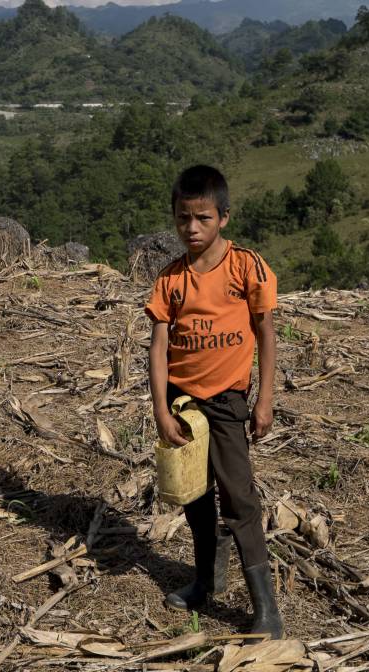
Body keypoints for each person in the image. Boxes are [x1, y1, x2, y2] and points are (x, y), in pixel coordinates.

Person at [145, 165, 283, 638]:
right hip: (182, 402)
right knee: (194, 493)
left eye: (202, 218)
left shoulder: (247, 267)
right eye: (183, 218)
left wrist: (264, 399)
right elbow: (158, 346)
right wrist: (161, 410)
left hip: (227, 400)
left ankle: (265, 607)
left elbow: (265, 333)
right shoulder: (171, 280)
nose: (192, 228)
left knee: (239, 497)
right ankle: (206, 580)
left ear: (224, 216)